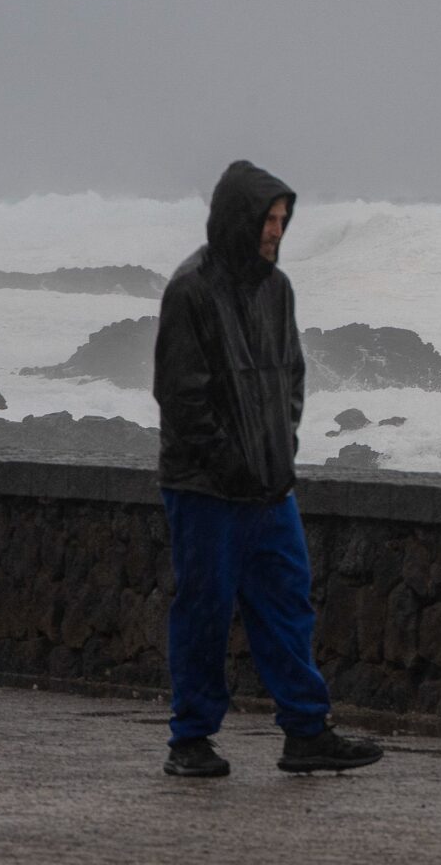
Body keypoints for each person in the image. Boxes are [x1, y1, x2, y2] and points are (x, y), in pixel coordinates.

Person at [152, 160, 383, 778]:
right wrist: (231, 465)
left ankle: (306, 731)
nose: (276, 230)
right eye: (268, 219)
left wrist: (282, 446)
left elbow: (293, 376)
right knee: (204, 610)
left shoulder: (277, 289)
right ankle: (190, 740)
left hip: (270, 489)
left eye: (283, 219)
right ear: (240, 218)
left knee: (288, 606)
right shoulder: (192, 289)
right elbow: (182, 398)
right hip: (206, 491)